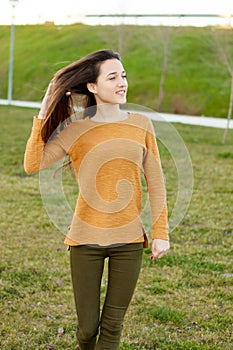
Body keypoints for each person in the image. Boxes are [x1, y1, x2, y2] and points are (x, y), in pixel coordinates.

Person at [24, 49, 170, 350]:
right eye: (113, 77)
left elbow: (155, 181)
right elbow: (32, 164)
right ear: (92, 86)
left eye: (124, 75)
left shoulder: (141, 124)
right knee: (87, 329)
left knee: (113, 326)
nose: (122, 83)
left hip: (128, 239)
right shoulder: (76, 129)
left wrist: (161, 234)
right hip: (85, 240)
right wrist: (42, 113)